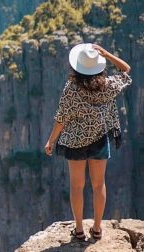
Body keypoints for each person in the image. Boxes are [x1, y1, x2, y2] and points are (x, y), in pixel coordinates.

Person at [44, 43, 132, 241]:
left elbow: (62, 117)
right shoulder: (108, 85)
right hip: (100, 140)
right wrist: (107, 53)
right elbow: (126, 69)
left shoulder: (71, 89)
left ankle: (79, 230)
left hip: (75, 143)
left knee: (77, 187)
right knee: (98, 185)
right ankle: (98, 229)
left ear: (77, 66)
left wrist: (51, 141)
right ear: (98, 66)